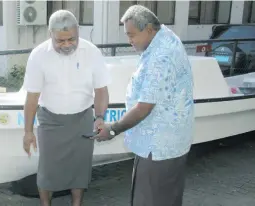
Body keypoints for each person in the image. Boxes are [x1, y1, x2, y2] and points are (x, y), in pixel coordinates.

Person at [91, 5, 195, 206]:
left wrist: (113, 130)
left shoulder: (161, 57)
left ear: (148, 29)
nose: (129, 41)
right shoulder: (165, 37)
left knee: (149, 199)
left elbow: (144, 107)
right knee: (167, 197)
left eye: (132, 35)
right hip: (168, 141)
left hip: (158, 145)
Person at [22, 10, 111, 206]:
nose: (67, 45)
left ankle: (76, 204)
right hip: (50, 120)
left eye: (71, 39)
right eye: (60, 41)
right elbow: (32, 98)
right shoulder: (38, 55)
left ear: (78, 32)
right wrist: (28, 131)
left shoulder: (92, 52)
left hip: (82, 120)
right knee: (47, 170)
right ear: (50, 34)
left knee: (79, 168)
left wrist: (99, 116)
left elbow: (101, 91)